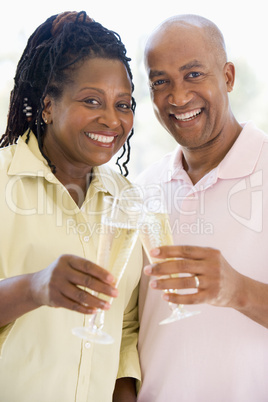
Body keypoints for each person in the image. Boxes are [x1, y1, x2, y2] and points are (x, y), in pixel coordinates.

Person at [0, 11, 142, 402]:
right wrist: (33, 287)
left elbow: (126, 327)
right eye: (92, 100)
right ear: (47, 105)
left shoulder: (129, 201)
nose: (112, 120)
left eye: (124, 104)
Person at [136, 14, 268, 402]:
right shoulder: (143, 189)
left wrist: (238, 290)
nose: (177, 97)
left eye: (193, 74)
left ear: (227, 77)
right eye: (161, 82)